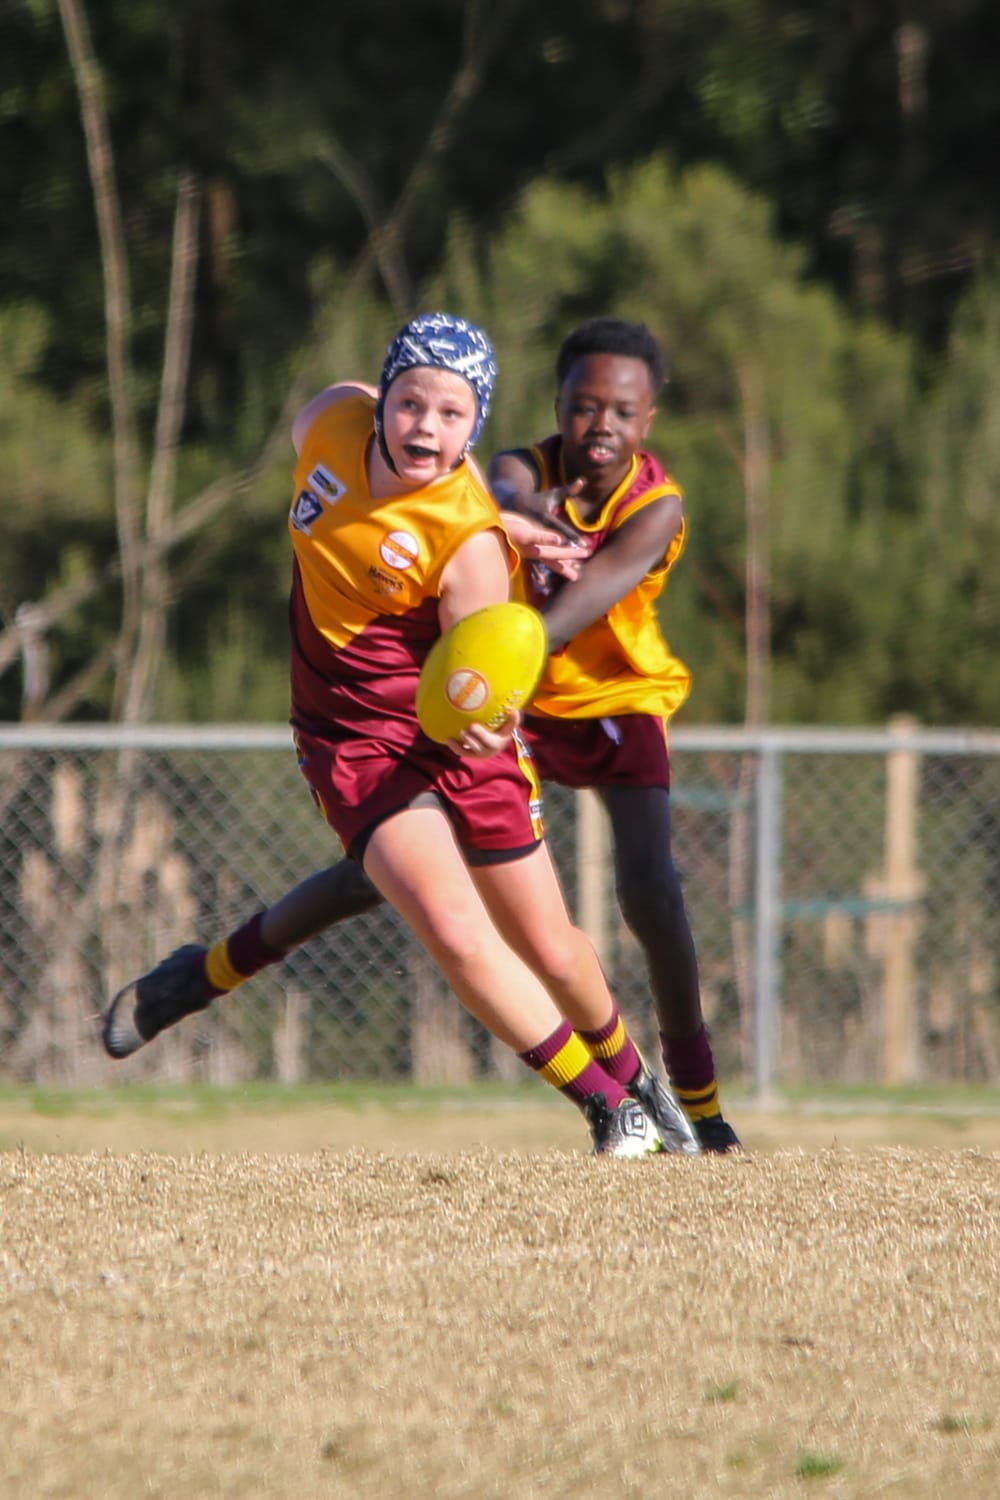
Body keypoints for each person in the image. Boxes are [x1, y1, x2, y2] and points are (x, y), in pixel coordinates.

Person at [103, 311, 699, 1160]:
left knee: (555, 949)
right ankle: (612, 1109)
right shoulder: (330, 420)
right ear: (382, 396)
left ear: (475, 424)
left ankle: (641, 1080)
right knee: (453, 928)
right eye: (412, 402)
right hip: (353, 735)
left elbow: (482, 678)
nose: (426, 426)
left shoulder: (468, 547)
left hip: (452, 743)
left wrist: (490, 724)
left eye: (453, 414)